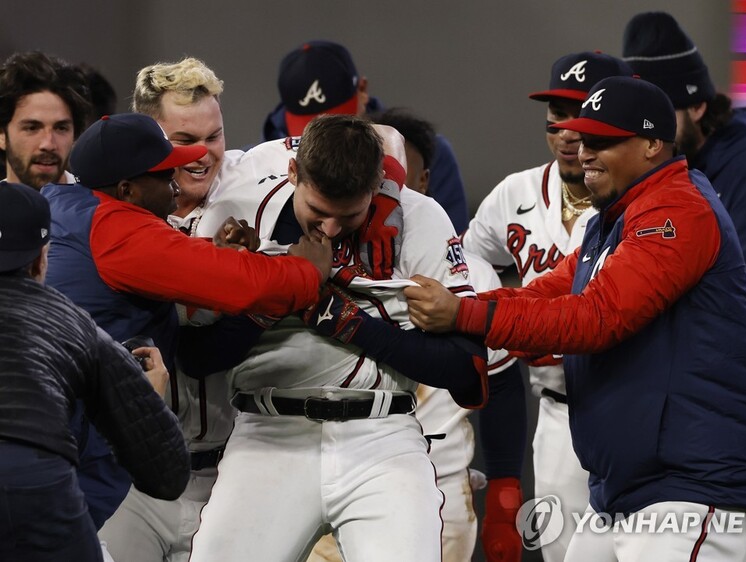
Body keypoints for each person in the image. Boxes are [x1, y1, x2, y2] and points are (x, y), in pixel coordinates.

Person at [405, 76, 746, 562]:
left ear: (652, 144)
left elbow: (596, 318)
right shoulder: (615, 217)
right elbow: (545, 293)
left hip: (693, 487)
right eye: (583, 139)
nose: (584, 152)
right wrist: (459, 318)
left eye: (603, 141)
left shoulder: (677, 210)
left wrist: (465, 314)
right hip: (628, 488)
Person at [187, 114, 488, 562]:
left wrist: (347, 321)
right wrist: (281, 292)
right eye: (318, 211)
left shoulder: (418, 217)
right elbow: (196, 357)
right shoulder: (239, 210)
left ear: (377, 186)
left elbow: (466, 369)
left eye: (348, 215)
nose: (329, 229)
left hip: (382, 435)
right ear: (293, 173)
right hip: (268, 434)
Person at [39, 111, 330, 562]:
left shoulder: (74, 208)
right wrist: (306, 272)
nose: (176, 183)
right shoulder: (113, 228)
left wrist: (217, 253)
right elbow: (246, 285)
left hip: (60, 428)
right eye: (163, 174)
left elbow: (156, 271)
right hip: (81, 443)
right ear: (127, 189)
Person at [299, 107, 526, 562]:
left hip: (438, 474)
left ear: (420, 181)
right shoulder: (309, 251)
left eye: (395, 178)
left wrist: (506, 490)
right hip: (316, 458)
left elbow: (497, 383)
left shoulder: (471, 272)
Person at [622, 13, 746, 560]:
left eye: (660, 118)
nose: (647, 135)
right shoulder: (673, 178)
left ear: (698, 106)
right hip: (705, 449)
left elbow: (718, 307)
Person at [460, 50, 633, 562]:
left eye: (583, 114)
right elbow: (467, 260)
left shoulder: (642, 203)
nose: (568, 132)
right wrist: (506, 326)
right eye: (558, 116)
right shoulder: (515, 193)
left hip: (631, 405)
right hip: (557, 416)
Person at [0, 181, 189, 562]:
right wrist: (147, 399)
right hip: (35, 487)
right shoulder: (72, 324)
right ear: (41, 260)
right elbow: (167, 473)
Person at [262, 39, 470, 233]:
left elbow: (452, 245)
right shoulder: (259, 163)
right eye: (309, 125)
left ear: (362, 90)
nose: (327, 135)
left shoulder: (418, 153)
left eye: (339, 117)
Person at [0, 50, 91, 189]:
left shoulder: (96, 201)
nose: (48, 144)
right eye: (32, 128)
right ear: (1, 135)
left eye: (61, 128)